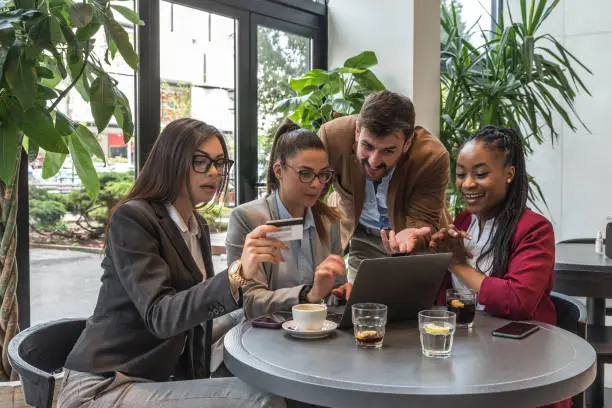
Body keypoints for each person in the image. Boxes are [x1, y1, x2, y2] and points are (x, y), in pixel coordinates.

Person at [57, 118, 286, 408]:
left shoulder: (196, 226)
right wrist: (236, 273)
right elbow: (160, 316)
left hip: (153, 379)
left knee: (253, 352)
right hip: (105, 385)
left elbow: (197, 318)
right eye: (201, 162)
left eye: (219, 163)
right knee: (263, 399)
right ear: (172, 160)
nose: (214, 172)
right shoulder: (133, 218)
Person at [429, 125, 568, 408]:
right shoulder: (463, 224)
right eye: (461, 174)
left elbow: (518, 302)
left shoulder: (534, 230)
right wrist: (425, 253)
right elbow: (440, 299)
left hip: (520, 368)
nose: (467, 183)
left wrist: (457, 264)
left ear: (509, 173)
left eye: (480, 174)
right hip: (467, 354)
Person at [318, 90, 449, 280]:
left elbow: (423, 219)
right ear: (357, 132)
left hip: (412, 245)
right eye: (367, 146)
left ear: (407, 143)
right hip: (362, 237)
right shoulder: (331, 139)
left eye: (388, 151)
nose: (373, 161)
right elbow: (310, 194)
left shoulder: (431, 157)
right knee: (359, 306)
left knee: (412, 307)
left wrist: (412, 235)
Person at [226, 120, 350, 320]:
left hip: (313, 332)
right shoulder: (247, 219)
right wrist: (308, 295)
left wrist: (341, 293)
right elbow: (249, 301)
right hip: (263, 335)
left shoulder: (329, 220)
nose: (317, 184)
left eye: (323, 175)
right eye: (305, 174)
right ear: (278, 171)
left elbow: (332, 290)